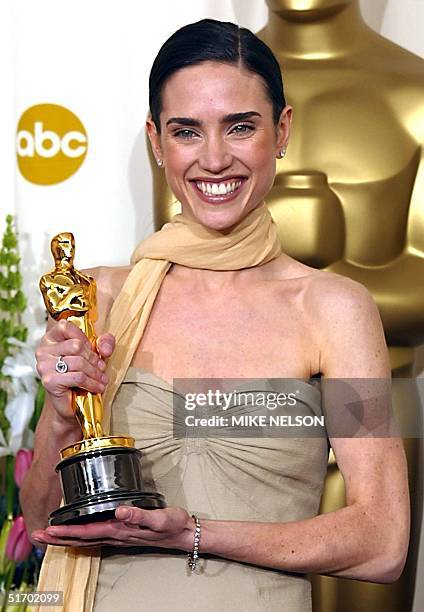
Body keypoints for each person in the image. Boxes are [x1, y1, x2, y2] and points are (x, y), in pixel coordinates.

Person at [21, 19, 409, 612]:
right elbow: (42, 519)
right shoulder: (97, 297)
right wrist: (59, 415)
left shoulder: (337, 311)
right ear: (156, 141)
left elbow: (382, 542)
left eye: (241, 127)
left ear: (281, 130)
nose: (215, 158)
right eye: (186, 131)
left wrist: (192, 533)